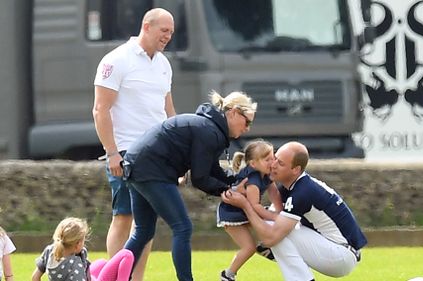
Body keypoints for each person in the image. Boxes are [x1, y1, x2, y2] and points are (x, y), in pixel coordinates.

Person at [121, 90, 256, 281]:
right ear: (233, 112)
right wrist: (229, 191)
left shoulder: (208, 127)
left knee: (143, 231)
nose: (247, 128)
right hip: (152, 170)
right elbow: (200, 178)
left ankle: (112, 278)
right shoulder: (210, 131)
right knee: (182, 227)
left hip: (136, 164)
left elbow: (211, 169)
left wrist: (236, 180)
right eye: (247, 122)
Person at [92, 8, 177, 280]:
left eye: (171, 33)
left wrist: (178, 151)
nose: (168, 37)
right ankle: (115, 277)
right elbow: (100, 110)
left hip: (158, 153)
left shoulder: (164, 64)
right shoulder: (116, 60)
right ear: (147, 26)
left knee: (147, 221)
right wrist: (112, 152)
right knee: (124, 216)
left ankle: (136, 278)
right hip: (127, 151)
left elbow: (168, 111)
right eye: (164, 31)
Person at [222, 141, 367, 281]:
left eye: (281, 163)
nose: (273, 165)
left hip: (342, 256)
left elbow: (270, 237)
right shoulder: (292, 186)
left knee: (273, 233)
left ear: (295, 170)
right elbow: (269, 218)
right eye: (275, 159)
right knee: (266, 224)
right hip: (335, 250)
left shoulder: (302, 191)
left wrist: (245, 205)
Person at [217, 139, 283, 281]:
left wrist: (281, 211)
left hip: (244, 209)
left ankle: (265, 246)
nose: (272, 163)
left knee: (272, 223)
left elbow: (274, 193)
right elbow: (255, 207)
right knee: (249, 248)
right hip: (231, 214)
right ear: (253, 164)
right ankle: (228, 275)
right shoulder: (252, 179)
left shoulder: (266, 174)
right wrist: (275, 216)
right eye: (267, 160)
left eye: (273, 158)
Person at [31, 217, 134, 281]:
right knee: (127, 255)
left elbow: (35, 277)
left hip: (88, 275)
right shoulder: (75, 265)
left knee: (102, 263)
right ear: (77, 244)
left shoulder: (50, 251)